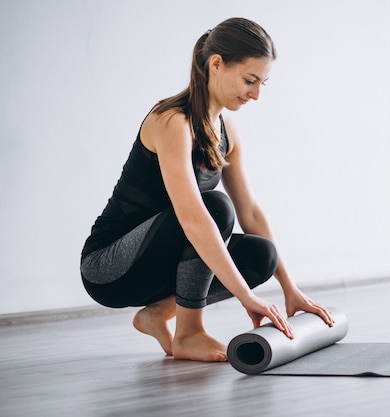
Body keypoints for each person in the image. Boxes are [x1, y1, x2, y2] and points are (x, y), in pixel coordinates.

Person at [80, 17, 333, 362]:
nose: (256, 94)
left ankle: (156, 315)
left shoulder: (227, 131)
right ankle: (189, 333)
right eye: (249, 80)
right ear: (216, 64)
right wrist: (246, 297)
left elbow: (252, 213)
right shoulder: (172, 120)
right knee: (215, 208)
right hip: (109, 266)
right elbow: (193, 218)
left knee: (262, 255)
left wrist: (289, 288)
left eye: (263, 83)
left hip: (158, 264)